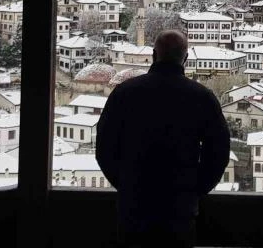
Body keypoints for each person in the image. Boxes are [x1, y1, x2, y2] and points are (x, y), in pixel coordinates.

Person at [96, 30, 231, 248]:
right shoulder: (201, 97)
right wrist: (194, 190)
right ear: (185, 58)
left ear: (153, 54)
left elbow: (104, 147)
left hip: (134, 206)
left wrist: (127, 184)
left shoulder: (125, 93)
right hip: (179, 209)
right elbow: (218, 152)